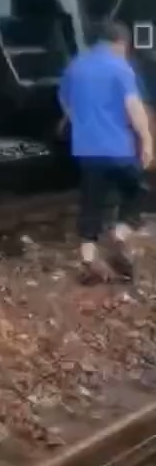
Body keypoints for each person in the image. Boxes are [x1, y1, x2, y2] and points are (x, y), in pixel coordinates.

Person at [58, 20, 152, 283]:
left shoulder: (75, 66)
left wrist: (80, 122)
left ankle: (88, 259)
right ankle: (119, 234)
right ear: (120, 43)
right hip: (118, 148)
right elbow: (134, 107)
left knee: (91, 203)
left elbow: (65, 101)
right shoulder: (120, 68)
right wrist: (146, 140)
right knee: (139, 190)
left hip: (87, 150)